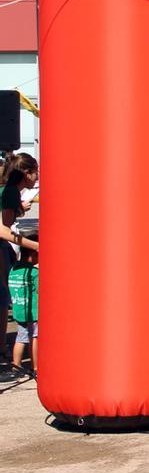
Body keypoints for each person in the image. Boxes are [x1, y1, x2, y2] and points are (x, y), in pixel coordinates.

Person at [0, 154, 39, 371]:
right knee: (9, 292)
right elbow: (3, 229)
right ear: (27, 173)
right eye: (36, 171)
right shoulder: (11, 192)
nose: (38, 176)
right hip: (2, 247)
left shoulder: (10, 191)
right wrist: (35, 246)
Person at [6, 231, 38, 379]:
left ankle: (16, 364)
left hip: (19, 310)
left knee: (20, 338)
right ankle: (35, 366)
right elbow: (41, 290)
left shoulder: (13, 270)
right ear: (32, 254)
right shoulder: (33, 273)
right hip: (33, 312)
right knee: (35, 338)